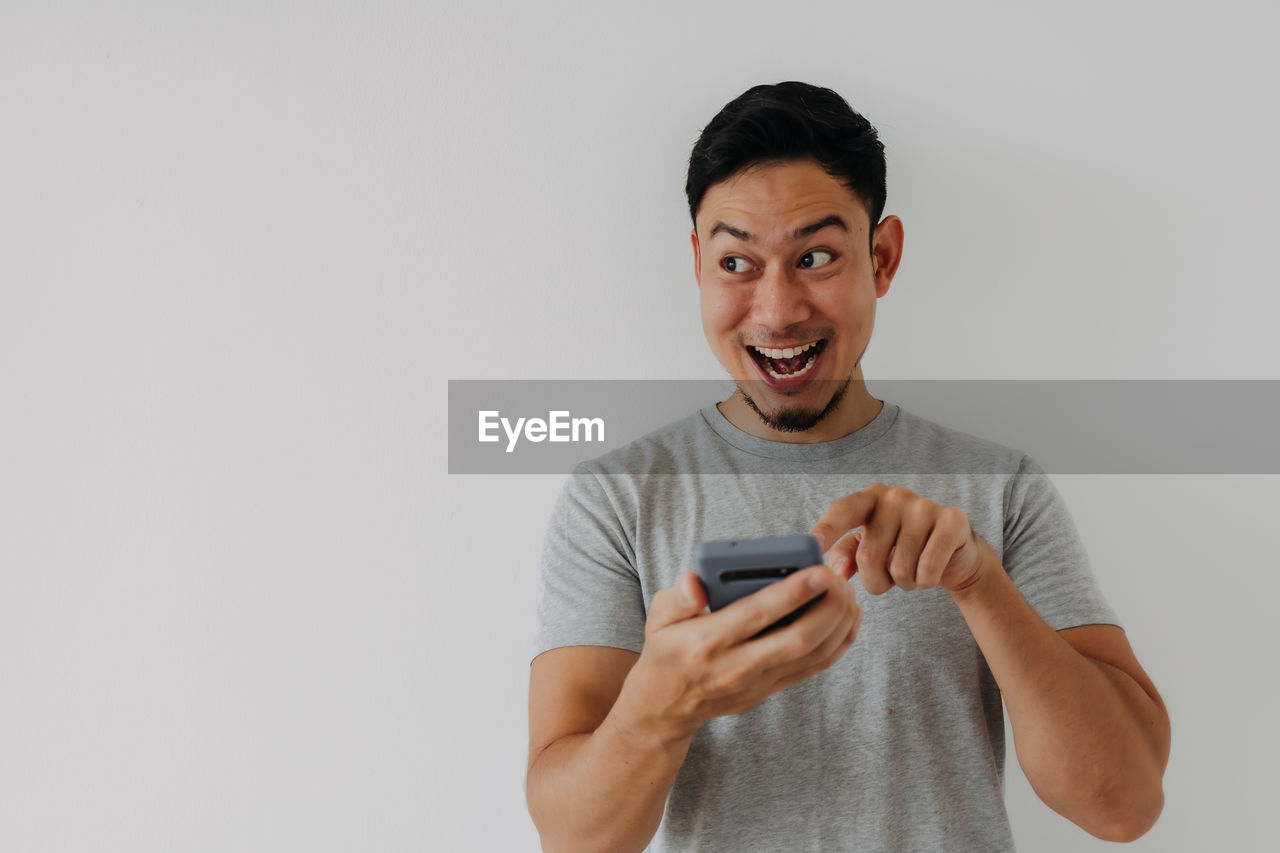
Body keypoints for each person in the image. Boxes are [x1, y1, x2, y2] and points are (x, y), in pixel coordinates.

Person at [525, 82, 1170, 852]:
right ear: (698, 262)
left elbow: (1123, 804)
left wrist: (978, 581)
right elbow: (574, 838)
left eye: (816, 256)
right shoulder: (619, 498)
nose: (776, 309)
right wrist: (664, 703)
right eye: (737, 261)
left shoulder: (999, 487)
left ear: (883, 257)